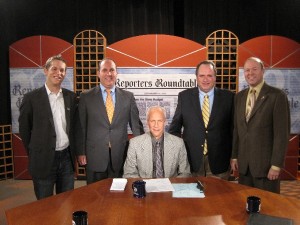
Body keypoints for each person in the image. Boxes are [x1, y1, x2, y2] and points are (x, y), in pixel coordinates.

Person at [19, 55, 78, 200]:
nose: (59, 73)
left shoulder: (71, 97)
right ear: (45, 71)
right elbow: (25, 131)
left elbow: (75, 128)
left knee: (66, 202)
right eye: (54, 69)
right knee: (45, 206)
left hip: (66, 160)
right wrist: (36, 152)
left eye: (62, 70)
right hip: (43, 160)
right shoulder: (31, 98)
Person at [77, 58, 144, 184]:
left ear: (116, 73)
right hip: (94, 156)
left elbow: (136, 126)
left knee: (117, 197)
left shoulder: (128, 97)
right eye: (105, 70)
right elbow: (81, 127)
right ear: (98, 73)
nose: (109, 74)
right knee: (95, 197)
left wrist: (141, 150)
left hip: (119, 157)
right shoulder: (86, 97)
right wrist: (81, 152)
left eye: (112, 70)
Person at [231, 57, 290, 193]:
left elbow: (281, 134)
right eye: (247, 70)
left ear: (263, 71)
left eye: (254, 69)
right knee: (245, 205)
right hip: (244, 167)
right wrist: (234, 156)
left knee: (268, 208)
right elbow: (237, 130)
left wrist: (276, 165)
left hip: (266, 167)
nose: (250, 73)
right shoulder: (239, 97)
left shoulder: (277, 96)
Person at [169, 60, 234, 179]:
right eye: (202, 75)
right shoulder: (184, 97)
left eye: (209, 75)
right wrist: (179, 153)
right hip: (192, 161)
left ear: (215, 77)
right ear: (196, 77)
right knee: (193, 196)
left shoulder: (229, 97)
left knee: (219, 197)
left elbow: (234, 130)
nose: (205, 79)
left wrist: (234, 156)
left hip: (220, 162)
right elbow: (174, 129)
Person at [123, 106, 191, 178]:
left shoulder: (178, 143)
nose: (156, 125)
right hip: (145, 187)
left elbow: (185, 173)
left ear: (165, 122)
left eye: (160, 121)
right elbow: (129, 174)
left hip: (171, 186)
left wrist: (172, 186)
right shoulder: (134, 144)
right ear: (147, 123)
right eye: (152, 121)